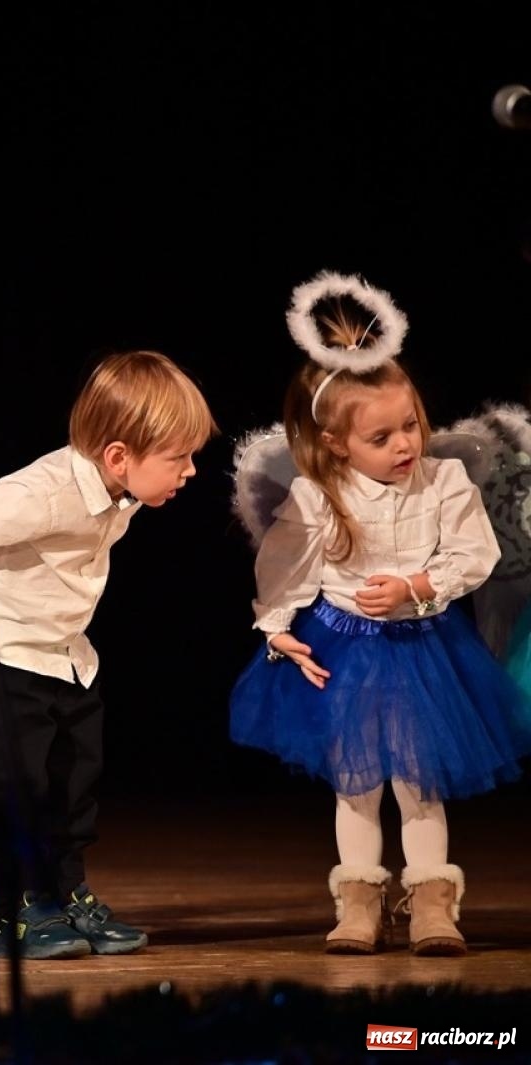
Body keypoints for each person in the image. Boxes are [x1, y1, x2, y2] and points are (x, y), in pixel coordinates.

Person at [0, 350, 217, 958]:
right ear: (118, 456)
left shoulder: (121, 494)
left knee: (70, 788)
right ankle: (19, 910)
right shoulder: (47, 491)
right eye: (178, 458)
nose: (190, 471)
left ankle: (67, 895)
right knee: (15, 788)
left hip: (64, 659)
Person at [231, 272, 531, 956]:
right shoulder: (317, 497)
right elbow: (284, 568)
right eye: (382, 436)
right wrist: (277, 627)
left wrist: (416, 586)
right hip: (345, 649)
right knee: (358, 780)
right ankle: (359, 902)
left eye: (411, 426)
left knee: (420, 782)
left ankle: (432, 901)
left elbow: (474, 555)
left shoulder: (444, 481)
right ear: (337, 444)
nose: (405, 444)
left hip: (424, 645)